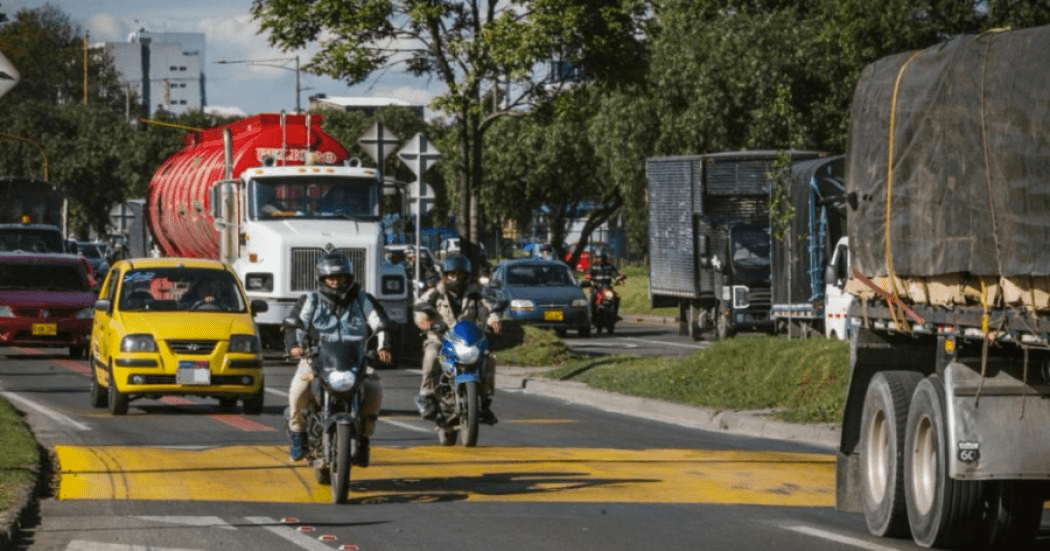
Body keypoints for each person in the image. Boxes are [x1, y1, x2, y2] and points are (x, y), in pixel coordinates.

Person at [284, 253, 393, 462]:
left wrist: (383, 347)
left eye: (340, 278)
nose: (335, 282)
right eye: (330, 278)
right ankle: (298, 435)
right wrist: (295, 346)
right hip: (316, 358)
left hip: (355, 359)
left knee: (373, 389)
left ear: (348, 278)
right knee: (298, 390)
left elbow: (380, 322)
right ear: (322, 279)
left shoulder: (363, 298)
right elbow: (295, 323)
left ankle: (364, 439)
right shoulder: (311, 299)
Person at [413, 254, 502, 423]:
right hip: (441, 337)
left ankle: (485, 398)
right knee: (431, 354)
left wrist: (493, 321)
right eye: (452, 274)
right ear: (445, 276)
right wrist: (425, 322)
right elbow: (420, 308)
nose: (456, 278)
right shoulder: (435, 294)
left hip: (468, 339)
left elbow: (488, 310)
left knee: (488, 358)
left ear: (466, 276)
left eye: (460, 275)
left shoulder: (475, 295)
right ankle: (427, 396)